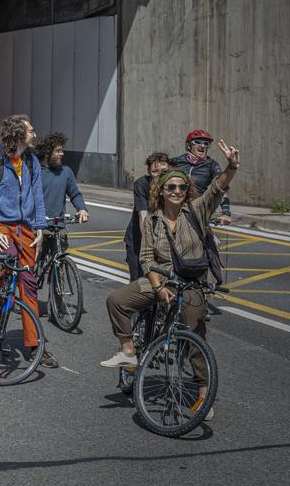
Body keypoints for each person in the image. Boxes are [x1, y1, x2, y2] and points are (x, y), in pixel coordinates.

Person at [101, 141, 239, 419]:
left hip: (192, 282)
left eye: (181, 187)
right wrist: (157, 287)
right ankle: (128, 350)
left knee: (194, 334)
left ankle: (203, 394)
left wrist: (232, 166)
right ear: (161, 191)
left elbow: (218, 187)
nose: (177, 192)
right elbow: (146, 258)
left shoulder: (197, 210)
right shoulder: (153, 220)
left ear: (187, 191)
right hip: (161, 279)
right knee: (116, 300)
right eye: (171, 188)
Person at [0, 114, 57, 368]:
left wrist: (41, 228)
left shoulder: (31, 161)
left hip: (27, 229)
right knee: (4, 262)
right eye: (31, 130)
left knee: (29, 285)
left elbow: (38, 198)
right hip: (0, 225)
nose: (34, 133)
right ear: (19, 135)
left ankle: (35, 346)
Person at [125, 153, 170, 280]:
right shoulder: (142, 184)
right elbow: (143, 215)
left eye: (164, 171)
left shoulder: (174, 185)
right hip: (140, 239)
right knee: (138, 282)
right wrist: (148, 244)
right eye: (155, 171)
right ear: (149, 172)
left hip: (164, 239)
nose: (160, 175)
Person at [172, 130, 232, 225]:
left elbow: (221, 187)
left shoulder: (211, 164)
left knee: (209, 239)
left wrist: (226, 212)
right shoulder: (176, 161)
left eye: (206, 143)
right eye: (198, 142)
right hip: (175, 207)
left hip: (198, 210)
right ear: (188, 146)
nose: (203, 145)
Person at [36, 132, 91, 225]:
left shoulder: (65, 171)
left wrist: (82, 209)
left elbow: (75, 194)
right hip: (38, 227)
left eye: (62, 150)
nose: (61, 154)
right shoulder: (35, 171)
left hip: (59, 226)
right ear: (47, 154)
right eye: (58, 151)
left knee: (61, 238)